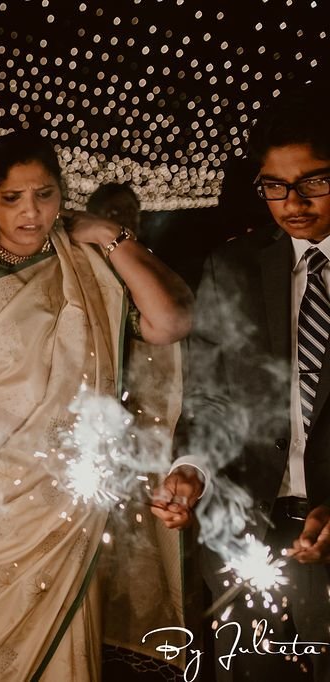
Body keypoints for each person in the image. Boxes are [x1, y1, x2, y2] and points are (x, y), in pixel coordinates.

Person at [0, 130, 193, 680]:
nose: (30, 213)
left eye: (44, 195)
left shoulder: (91, 266)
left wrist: (111, 235)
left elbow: (172, 320)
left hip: (64, 503)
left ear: (64, 195)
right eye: (12, 198)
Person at [154, 84, 330, 681]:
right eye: (275, 186)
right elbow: (208, 396)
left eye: (314, 181)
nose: (293, 202)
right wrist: (192, 468)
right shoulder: (231, 265)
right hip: (243, 528)